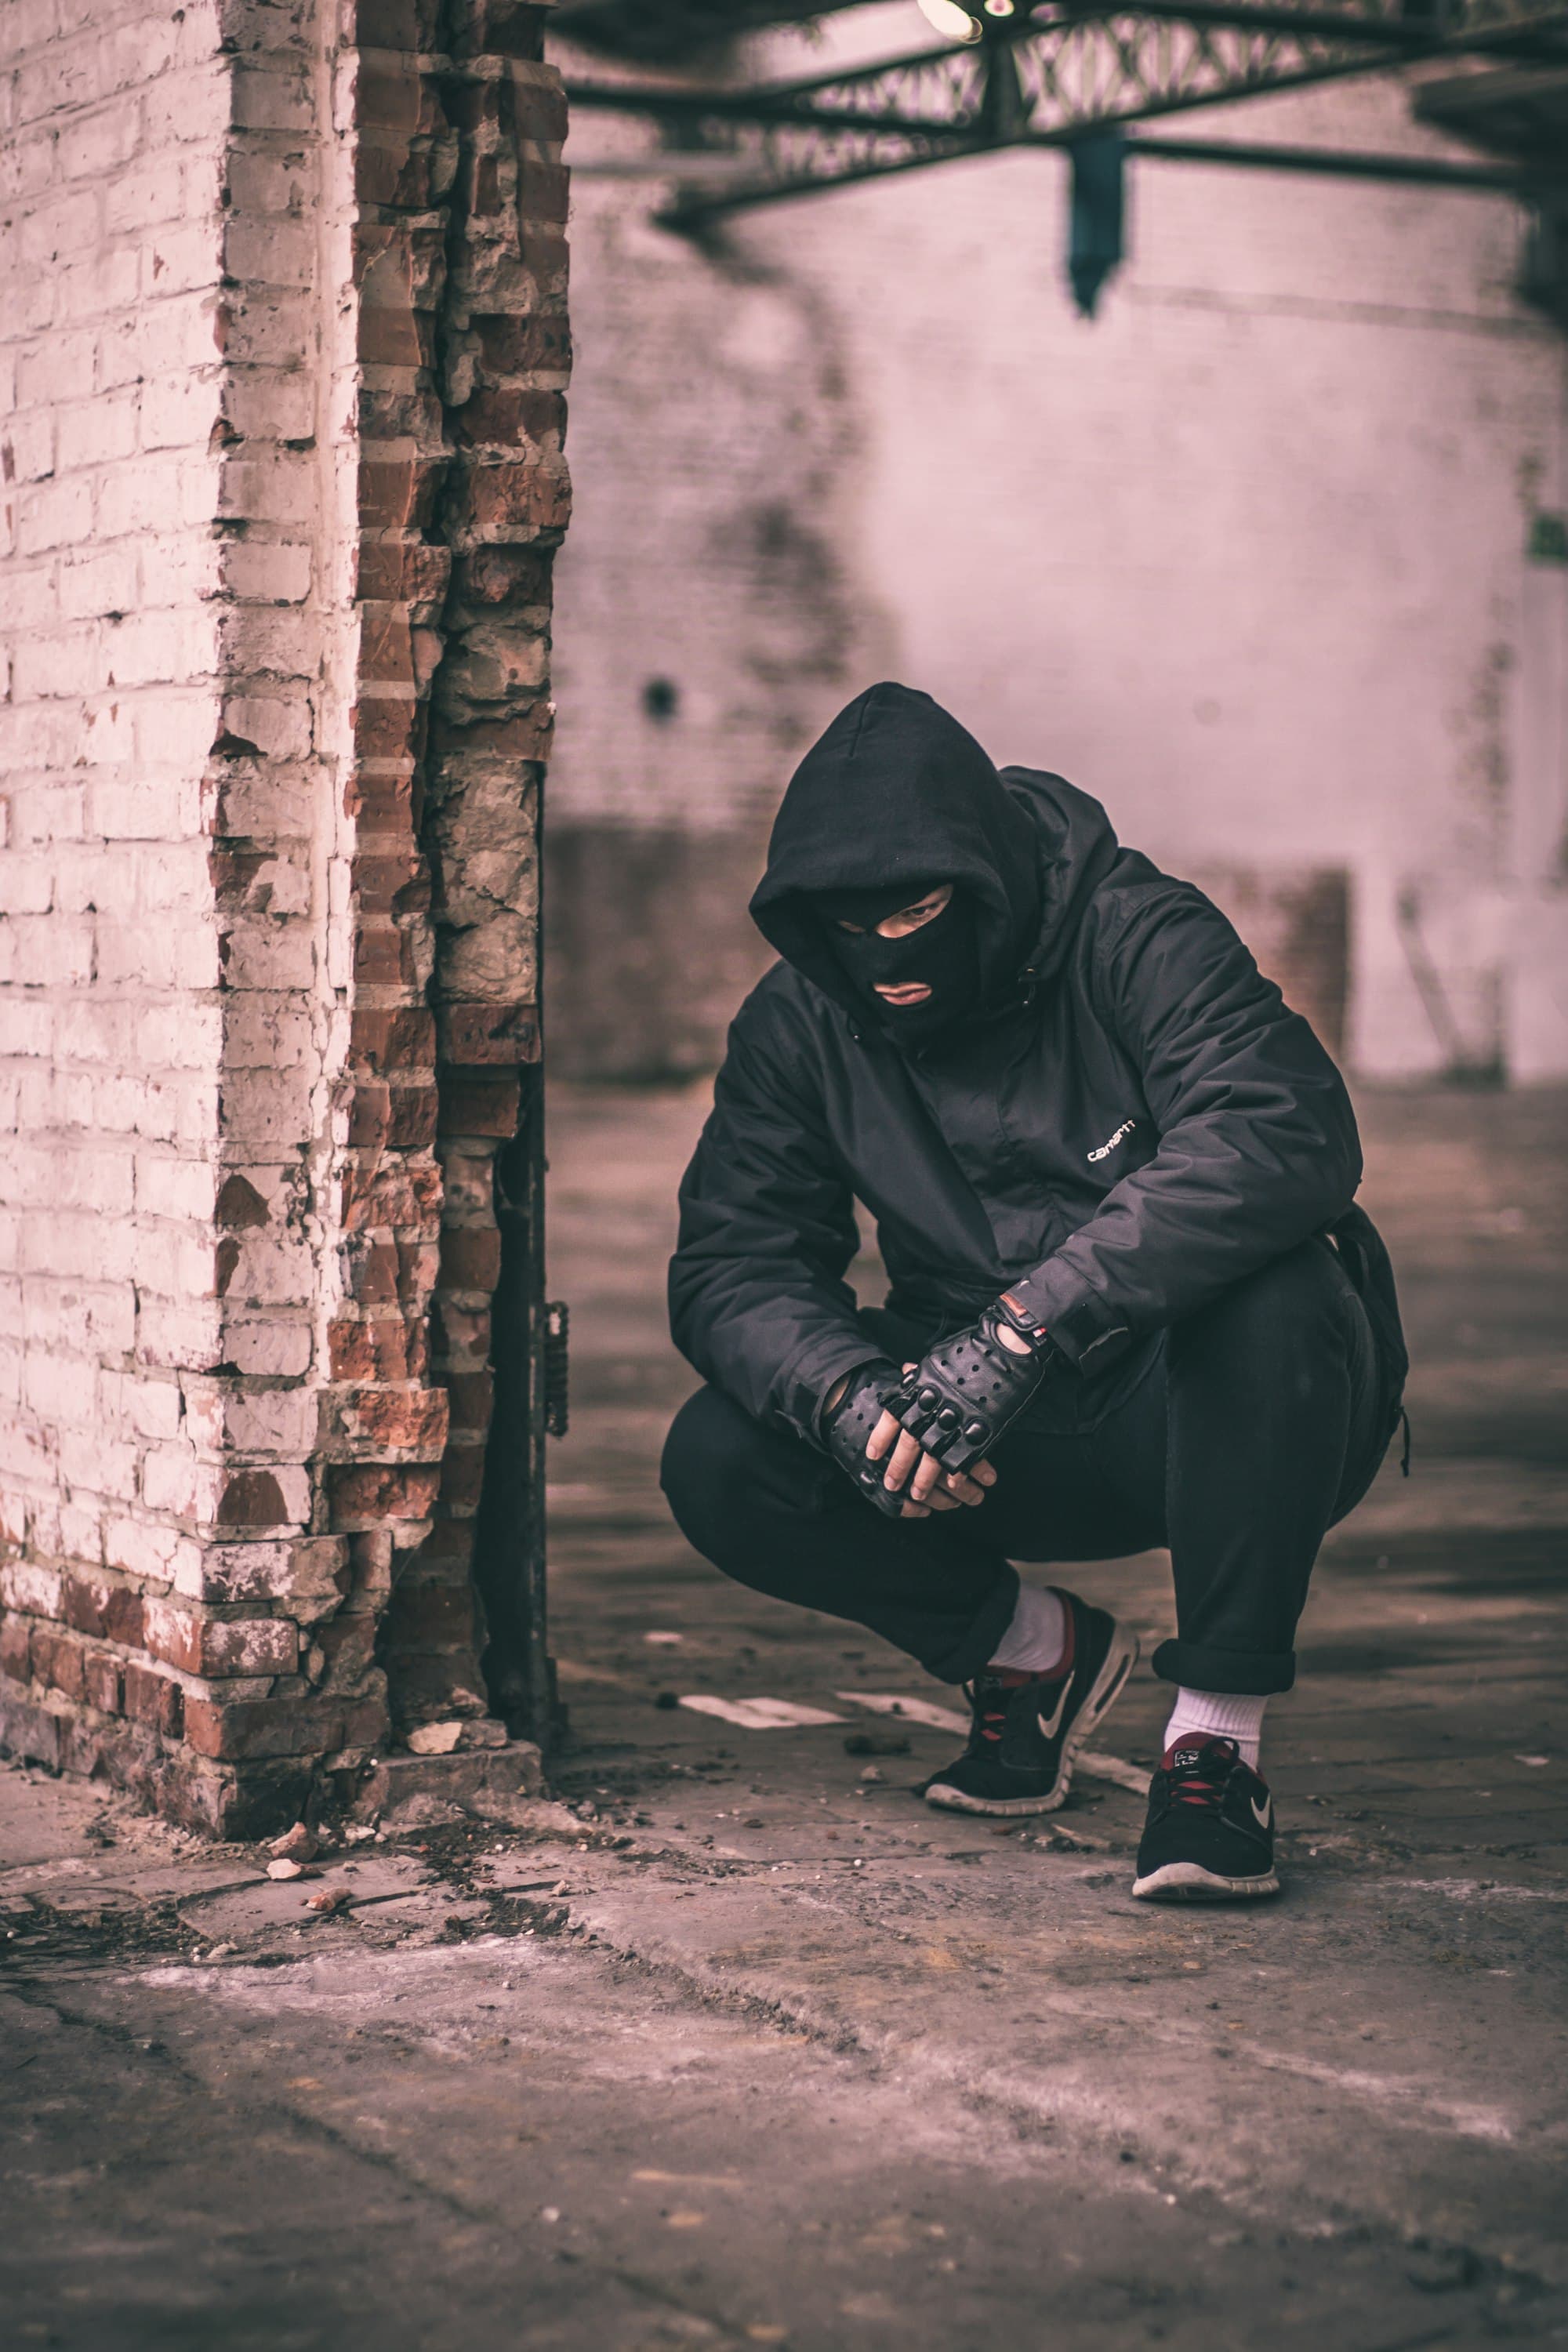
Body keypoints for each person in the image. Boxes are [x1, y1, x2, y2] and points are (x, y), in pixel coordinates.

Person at [660, 684, 1406, 1900]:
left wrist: (1028, 1329)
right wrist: (851, 1399)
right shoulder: (801, 1017)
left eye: (917, 913)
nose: (887, 956)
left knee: (1281, 1289)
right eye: (852, 929)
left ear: (987, 880)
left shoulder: (1135, 931)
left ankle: (1214, 1743)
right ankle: (1032, 1655)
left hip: (1214, 1402)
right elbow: (734, 1263)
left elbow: (1283, 1131)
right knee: (722, 1455)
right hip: (986, 1437)